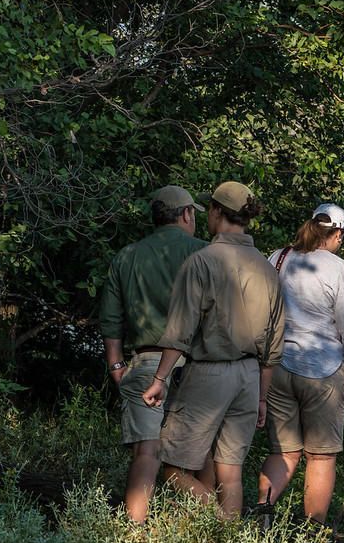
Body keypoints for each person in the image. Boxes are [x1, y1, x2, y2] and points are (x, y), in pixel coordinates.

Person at [142, 181, 284, 519]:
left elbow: (180, 329)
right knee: (230, 473)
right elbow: (274, 344)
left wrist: (160, 378)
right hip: (249, 376)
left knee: (173, 468)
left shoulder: (203, 261)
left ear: (218, 212)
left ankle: (222, 524)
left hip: (209, 374)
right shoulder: (267, 268)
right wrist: (262, 398)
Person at [98, 185, 210, 524]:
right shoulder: (204, 253)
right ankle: (209, 528)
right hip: (197, 366)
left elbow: (111, 319)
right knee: (200, 455)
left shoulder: (127, 256)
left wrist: (116, 364)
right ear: (187, 214)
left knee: (146, 451)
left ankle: (135, 530)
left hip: (146, 362)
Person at [255, 203, 344, 524]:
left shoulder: (278, 258)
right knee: (321, 456)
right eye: (342, 237)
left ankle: (262, 514)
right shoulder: (338, 268)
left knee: (284, 452)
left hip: (277, 368)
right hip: (324, 371)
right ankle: (312, 534)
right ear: (337, 233)